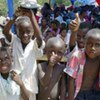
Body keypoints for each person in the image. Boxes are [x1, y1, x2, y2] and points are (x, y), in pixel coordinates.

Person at [3, 8, 45, 100]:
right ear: (17, 31)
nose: (25, 35)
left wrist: (32, 16)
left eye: (28, 31)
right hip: (14, 82)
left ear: (33, 31)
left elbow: (39, 37)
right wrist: (14, 17)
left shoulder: (35, 44)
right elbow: (5, 31)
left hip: (30, 86)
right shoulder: (14, 41)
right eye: (21, 32)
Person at [64, 28, 100, 100]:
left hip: (95, 93)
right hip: (78, 93)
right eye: (90, 44)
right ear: (85, 43)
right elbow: (71, 80)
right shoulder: (76, 56)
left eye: (97, 45)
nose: (93, 48)